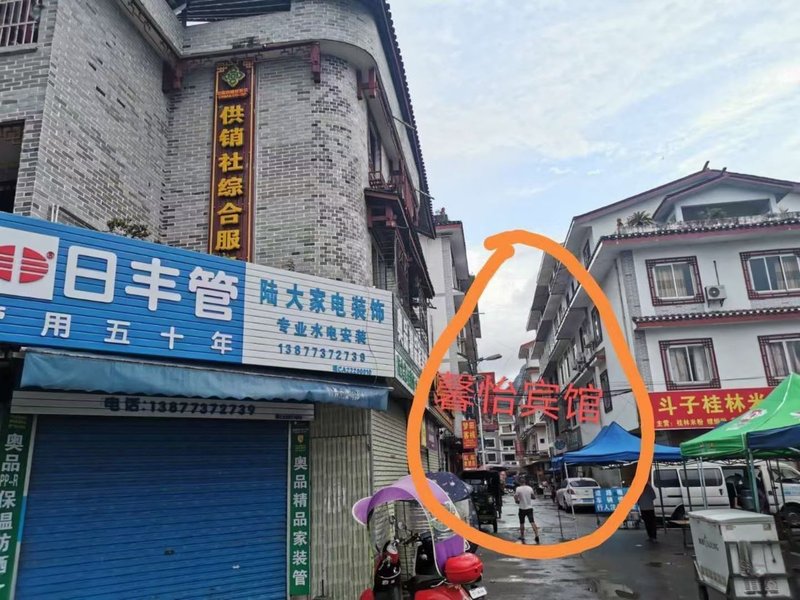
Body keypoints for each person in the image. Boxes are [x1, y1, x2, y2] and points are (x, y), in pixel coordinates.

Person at [514, 477, 540, 544]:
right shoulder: (529, 488)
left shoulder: (518, 489)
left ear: (520, 482)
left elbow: (515, 496)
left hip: (522, 508)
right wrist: (529, 496)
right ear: (525, 482)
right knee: (532, 522)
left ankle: (522, 536)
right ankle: (536, 535)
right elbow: (533, 497)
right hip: (529, 508)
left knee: (522, 523)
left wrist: (517, 501)